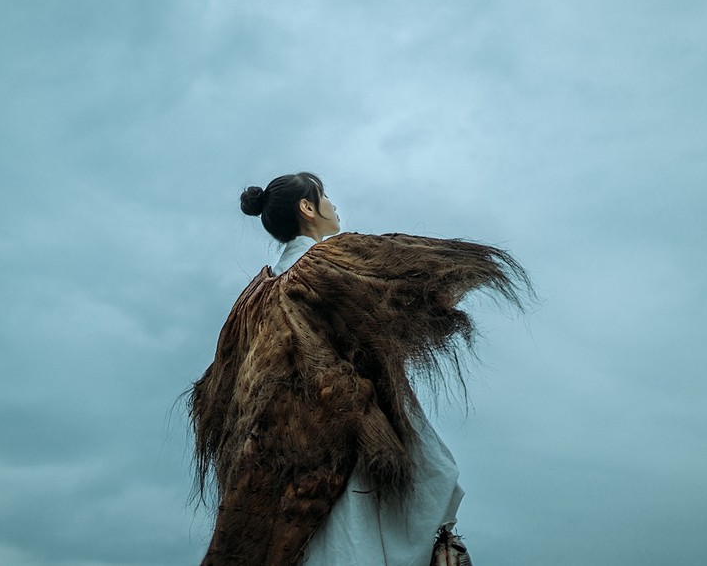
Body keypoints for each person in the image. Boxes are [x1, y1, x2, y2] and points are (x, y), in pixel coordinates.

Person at [189, 172, 531, 566]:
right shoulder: (331, 263)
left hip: (280, 486)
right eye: (325, 196)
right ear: (308, 208)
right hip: (349, 457)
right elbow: (426, 279)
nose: (333, 205)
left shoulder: (250, 304)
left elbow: (214, 398)